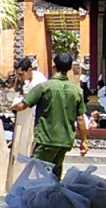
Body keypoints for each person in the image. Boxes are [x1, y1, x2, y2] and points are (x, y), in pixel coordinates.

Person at [13, 51, 88, 179]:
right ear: (70, 68)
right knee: (54, 176)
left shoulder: (43, 87)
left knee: (36, 175)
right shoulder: (76, 91)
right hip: (64, 141)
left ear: (54, 66)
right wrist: (84, 141)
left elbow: (22, 106)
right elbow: (80, 119)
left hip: (46, 140)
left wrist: (12, 107)